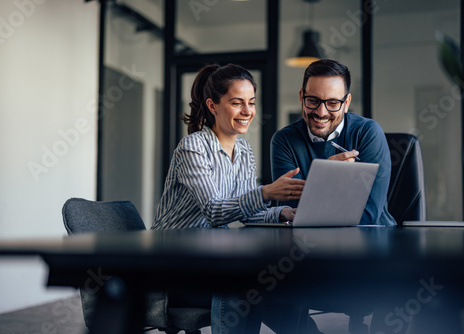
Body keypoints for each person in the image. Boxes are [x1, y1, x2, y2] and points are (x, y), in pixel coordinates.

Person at [152, 64, 317, 334]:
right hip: (173, 269)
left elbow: (246, 213)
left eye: (251, 102)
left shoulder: (244, 150)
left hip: (211, 262)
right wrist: (266, 192)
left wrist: (283, 213)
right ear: (213, 105)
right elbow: (214, 211)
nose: (247, 111)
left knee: (284, 289)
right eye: (237, 103)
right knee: (245, 288)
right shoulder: (193, 147)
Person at [271, 59, 396, 226]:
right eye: (313, 101)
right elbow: (295, 212)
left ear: (346, 103)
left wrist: (317, 193)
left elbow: (369, 213)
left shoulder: (368, 133)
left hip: (371, 239)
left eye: (332, 103)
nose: (321, 112)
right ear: (302, 97)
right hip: (309, 243)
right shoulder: (284, 141)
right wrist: (326, 177)